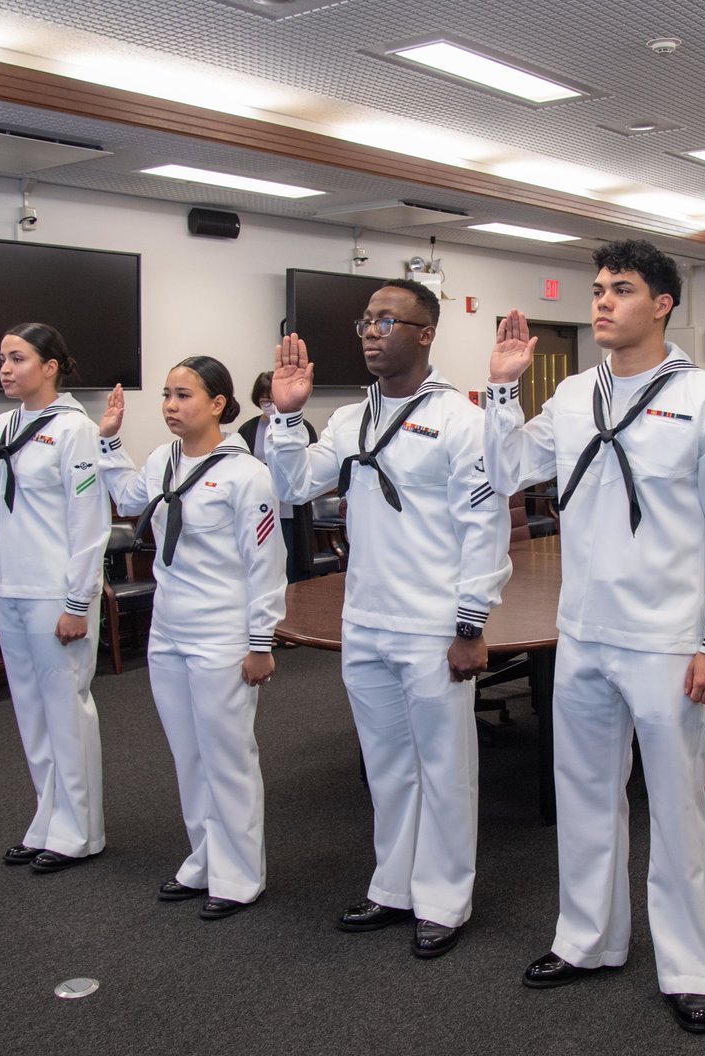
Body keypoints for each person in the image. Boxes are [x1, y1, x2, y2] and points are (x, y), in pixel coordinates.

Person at [484, 240, 705, 1034]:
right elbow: (506, 469)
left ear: (663, 303)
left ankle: (690, 967)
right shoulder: (574, 395)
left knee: (676, 809)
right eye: (598, 288)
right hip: (583, 632)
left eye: (622, 289)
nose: (603, 301)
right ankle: (588, 940)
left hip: (669, 641)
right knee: (583, 796)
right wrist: (502, 390)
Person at [266, 279, 511, 957]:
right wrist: (287, 415)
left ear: (426, 332)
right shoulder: (349, 420)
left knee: (445, 766)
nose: (372, 332)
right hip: (366, 622)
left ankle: (444, 900)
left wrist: (469, 624)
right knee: (387, 766)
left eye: (387, 321)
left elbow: (483, 527)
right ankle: (393, 885)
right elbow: (290, 484)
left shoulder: (463, 420)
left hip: (434, 626)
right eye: (366, 322)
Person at [98, 357, 286, 920]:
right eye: (166, 395)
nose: (170, 406)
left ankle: (240, 874)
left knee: (227, 756)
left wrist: (260, 641)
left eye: (184, 395)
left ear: (219, 405)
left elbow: (265, 562)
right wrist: (108, 444)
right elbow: (130, 499)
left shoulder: (245, 473)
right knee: (189, 755)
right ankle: (204, 858)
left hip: (223, 633)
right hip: (169, 630)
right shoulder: (161, 459)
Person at [0, 322, 110, 873]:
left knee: (67, 712)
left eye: (18, 358)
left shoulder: (73, 430)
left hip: (54, 592)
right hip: (10, 587)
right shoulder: (4, 424)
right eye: (1, 359)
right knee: (32, 714)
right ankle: (48, 818)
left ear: (50, 366)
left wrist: (78, 602)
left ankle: (80, 831)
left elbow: (91, 523)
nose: (5, 369)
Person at [238, 371, 319, 582]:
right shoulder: (247, 429)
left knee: (291, 562)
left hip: (290, 508)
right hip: (258, 507)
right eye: (265, 401)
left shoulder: (301, 427)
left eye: (274, 401)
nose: (270, 406)